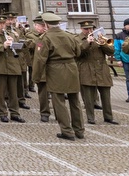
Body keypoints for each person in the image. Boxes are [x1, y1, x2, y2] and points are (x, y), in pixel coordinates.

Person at [33, 12, 85, 140]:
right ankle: (79, 130)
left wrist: (36, 77)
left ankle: (67, 130)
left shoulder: (44, 38)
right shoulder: (69, 35)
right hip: (72, 68)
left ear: (46, 25)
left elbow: (40, 60)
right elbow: (78, 52)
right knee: (75, 101)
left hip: (55, 69)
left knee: (59, 101)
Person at [77, 21, 117, 125]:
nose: (89, 31)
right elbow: (77, 53)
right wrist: (87, 42)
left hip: (101, 69)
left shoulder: (101, 38)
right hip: (86, 69)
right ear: (82, 29)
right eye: (86, 29)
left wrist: (102, 42)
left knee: (106, 95)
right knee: (88, 97)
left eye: (91, 29)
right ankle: (90, 117)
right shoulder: (77, 39)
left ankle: (108, 117)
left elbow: (111, 51)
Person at [29, 15, 53, 123]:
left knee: (56, 93)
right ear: (35, 26)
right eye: (41, 25)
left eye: (44, 25)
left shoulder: (50, 35)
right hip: (41, 67)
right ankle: (45, 113)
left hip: (52, 68)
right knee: (43, 93)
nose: (43, 27)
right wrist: (43, 38)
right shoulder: (31, 35)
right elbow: (33, 45)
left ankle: (58, 113)